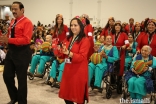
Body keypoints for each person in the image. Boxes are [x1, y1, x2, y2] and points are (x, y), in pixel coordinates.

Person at [0, 1, 33, 104]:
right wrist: (6, 44)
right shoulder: (13, 21)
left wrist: (8, 41)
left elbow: (26, 40)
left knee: (21, 79)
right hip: (12, 51)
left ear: (22, 10)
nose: (13, 11)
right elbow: (10, 35)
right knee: (6, 76)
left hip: (22, 52)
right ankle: (15, 97)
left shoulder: (27, 22)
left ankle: (22, 101)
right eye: (12, 9)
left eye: (15, 9)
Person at [59, 17, 90, 104]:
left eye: (75, 25)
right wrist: (58, 50)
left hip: (79, 71)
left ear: (81, 26)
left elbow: (82, 57)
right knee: (67, 95)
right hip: (68, 70)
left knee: (78, 96)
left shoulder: (85, 40)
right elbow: (62, 54)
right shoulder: (68, 38)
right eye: (71, 25)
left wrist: (69, 53)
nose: (73, 27)